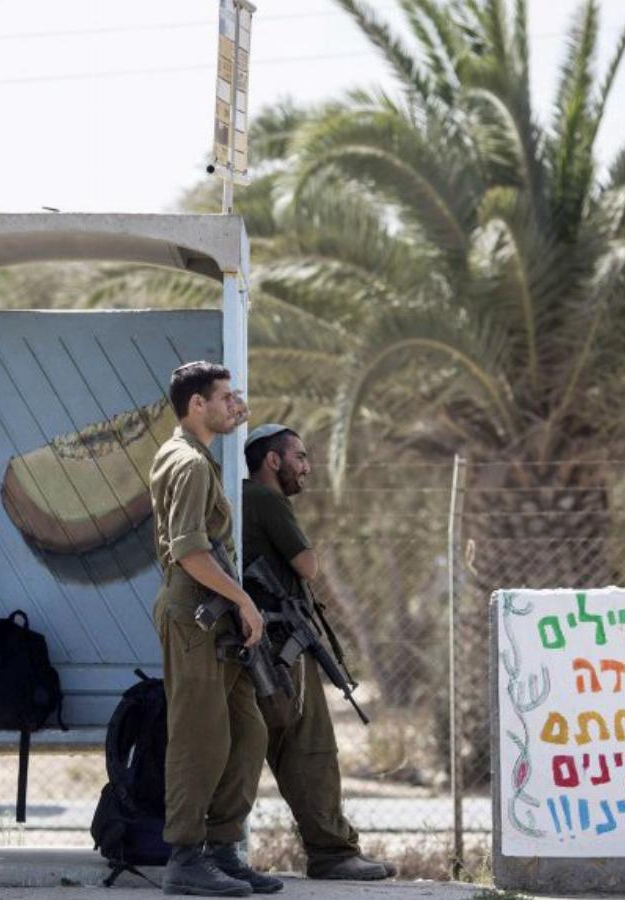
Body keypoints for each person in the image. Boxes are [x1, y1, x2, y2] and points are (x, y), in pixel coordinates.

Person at [148, 361, 282, 897]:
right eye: (225, 398)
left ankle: (223, 850)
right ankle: (184, 856)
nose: (235, 404)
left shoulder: (193, 453)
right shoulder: (189, 464)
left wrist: (236, 418)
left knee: (247, 732)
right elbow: (188, 552)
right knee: (198, 738)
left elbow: (198, 546)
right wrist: (244, 599)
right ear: (196, 405)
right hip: (197, 614)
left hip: (213, 614)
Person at [242, 423, 396, 881]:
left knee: (255, 744)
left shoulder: (239, 497)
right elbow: (307, 566)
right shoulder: (268, 500)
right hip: (280, 646)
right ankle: (332, 853)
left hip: (257, 644)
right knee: (309, 749)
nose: (306, 468)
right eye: (300, 458)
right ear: (273, 460)